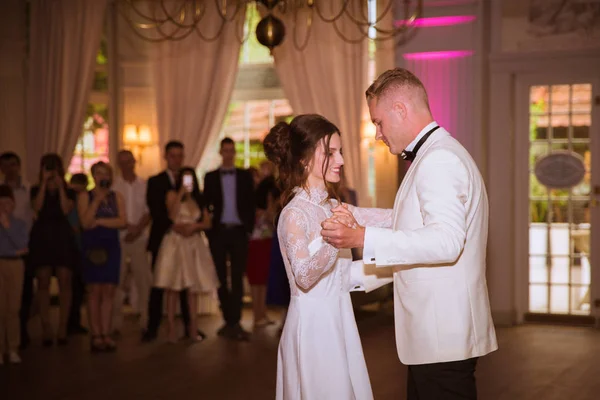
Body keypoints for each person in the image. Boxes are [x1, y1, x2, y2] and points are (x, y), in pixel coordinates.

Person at [321, 68, 498, 400]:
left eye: (379, 122)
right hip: (437, 337)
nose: (377, 133)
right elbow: (409, 222)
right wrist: (357, 215)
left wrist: (362, 238)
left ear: (400, 110)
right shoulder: (436, 154)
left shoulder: (439, 159)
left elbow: (445, 241)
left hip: (442, 335)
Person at [263, 114, 392, 400]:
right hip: (313, 328)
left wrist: (403, 262)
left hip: (341, 319)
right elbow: (305, 278)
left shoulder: (334, 207)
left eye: (340, 151)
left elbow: (389, 220)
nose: (341, 160)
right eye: (330, 152)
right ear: (304, 159)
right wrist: (337, 239)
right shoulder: (294, 215)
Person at [144, 141, 203, 342]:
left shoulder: (190, 180)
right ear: (165, 156)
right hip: (164, 240)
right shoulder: (155, 181)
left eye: (180, 155)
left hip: (187, 241)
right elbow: (156, 211)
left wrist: (191, 228)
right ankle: (152, 328)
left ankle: (190, 327)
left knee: (187, 285)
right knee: (160, 284)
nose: (176, 159)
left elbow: (199, 209)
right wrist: (174, 227)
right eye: (173, 155)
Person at [153, 167, 216, 343]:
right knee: (172, 287)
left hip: (193, 245)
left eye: (191, 179)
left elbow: (207, 223)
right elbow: (171, 217)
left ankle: (193, 327)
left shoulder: (199, 199)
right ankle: (171, 328)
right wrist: (180, 194)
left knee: (192, 288)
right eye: (184, 179)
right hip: (174, 243)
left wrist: (193, 227)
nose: (188, 183)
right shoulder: (172, 195)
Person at [203, 138, 256, 341]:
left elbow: (250, 204)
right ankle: (227, 319)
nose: (228, 154)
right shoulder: (210, 177)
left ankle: (236, 320)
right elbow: (205, 205)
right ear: (220, 152)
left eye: (231, 151)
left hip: (239, 233)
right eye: (225, 150)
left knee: (237, 277)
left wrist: (248, 229)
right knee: (220, 277)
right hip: (218, 233)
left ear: (234, 153)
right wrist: (208, 231)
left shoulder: (244, 176)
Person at [29, 154, 78, 346]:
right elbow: (37, 207)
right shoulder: (35, 189)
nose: (51, 171)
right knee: (43, 280)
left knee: (65, 279)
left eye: (54, 167)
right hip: (42, 235)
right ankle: (46, 326)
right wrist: (43, 184)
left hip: (62, 235)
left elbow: (66, 209)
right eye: (47, 168)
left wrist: (60, 186)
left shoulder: (69, 191)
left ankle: (63, 326)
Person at [78, 162, 126, 352]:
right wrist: (97, 201)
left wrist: (99, 221)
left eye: (105, 173)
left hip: (112, 246)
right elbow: (85, 222)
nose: (102, 176)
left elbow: (122, 221)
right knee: (94, 291)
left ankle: (106, 333)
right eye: (98, 173)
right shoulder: (85, 196)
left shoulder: (117, 197)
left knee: (108, 291)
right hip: (92, 247)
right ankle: (96, 334)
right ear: (93, 176)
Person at [111, 150, 152, 335]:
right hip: (117, 239)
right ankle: (115, 323)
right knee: (117, 281)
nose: (127, 165)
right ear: (118, 165)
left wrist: (136, 230)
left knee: (143, 280)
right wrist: (126, 227)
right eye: (123, 162)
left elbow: (149, 211)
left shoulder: (144, 185)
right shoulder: (113, 187)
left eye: (129, 161)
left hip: (140, 238)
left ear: (135, 162)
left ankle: (145, 320)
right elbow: (112, 212)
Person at [0, 152, 34, 349]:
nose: (9, 169)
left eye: (13, 164)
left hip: (21, 247)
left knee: (19, 300)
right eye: (5, 165)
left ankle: (17, 340)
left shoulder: (28, 189)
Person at [0, 185, 28, 364]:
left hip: (15, 265)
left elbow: (22, 245)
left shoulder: (19, 224)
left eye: (7, 203)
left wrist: (7, 226)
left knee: (13, 308)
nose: (4, 207)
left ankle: (12, 347)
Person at [66, 173, 90, 335]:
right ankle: (70, 321)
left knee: (78, 288)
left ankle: (74, 321)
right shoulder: (69, 201)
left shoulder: (85, 200)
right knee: (72, 287)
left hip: (83, 248)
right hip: (71, 248)